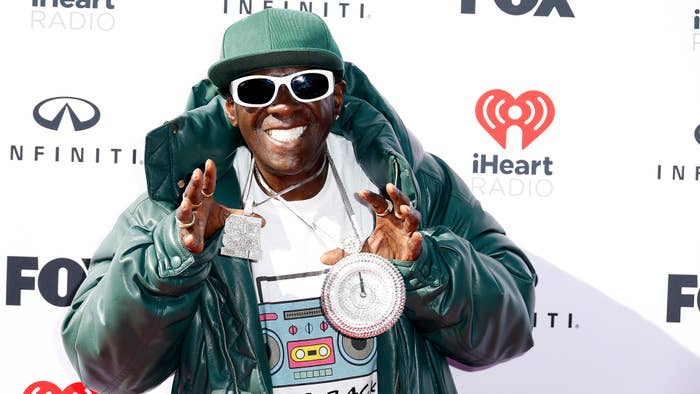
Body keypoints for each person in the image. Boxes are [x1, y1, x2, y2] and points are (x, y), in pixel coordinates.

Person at [62, 8, 536, 394]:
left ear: (338, 95)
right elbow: (105, 369)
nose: (283, 105)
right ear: (230, 107)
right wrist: (177, 258)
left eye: (308, 84)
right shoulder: (178, 206)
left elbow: (510, 327)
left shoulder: (410, 185)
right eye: (256, 89)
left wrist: (425, 264)